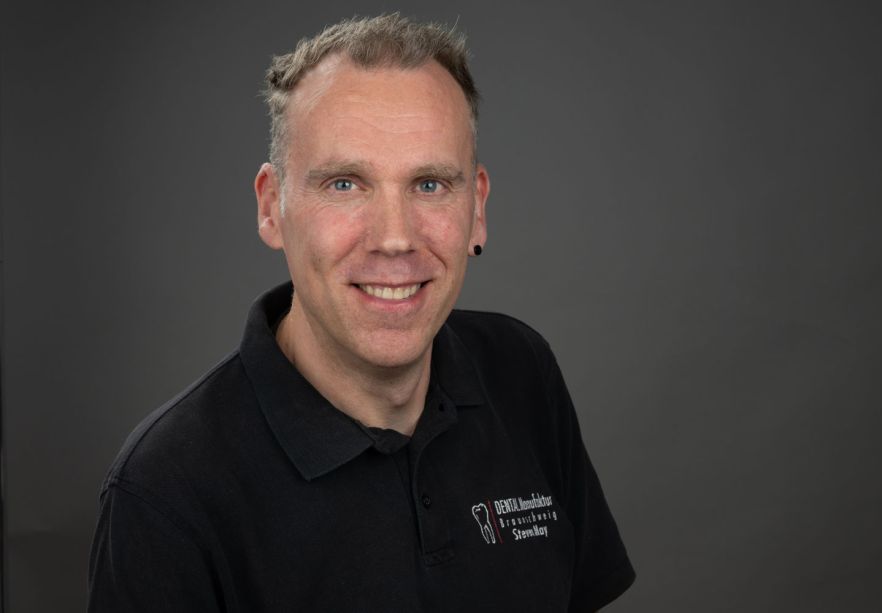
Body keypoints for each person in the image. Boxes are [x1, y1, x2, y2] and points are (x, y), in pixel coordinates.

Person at [88, 13, 635, 612]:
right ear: (272, 208)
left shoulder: (521, 371)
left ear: (477, 210)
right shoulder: (165, 490)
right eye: (345, 184)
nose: (395, 239)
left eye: (430, 184)